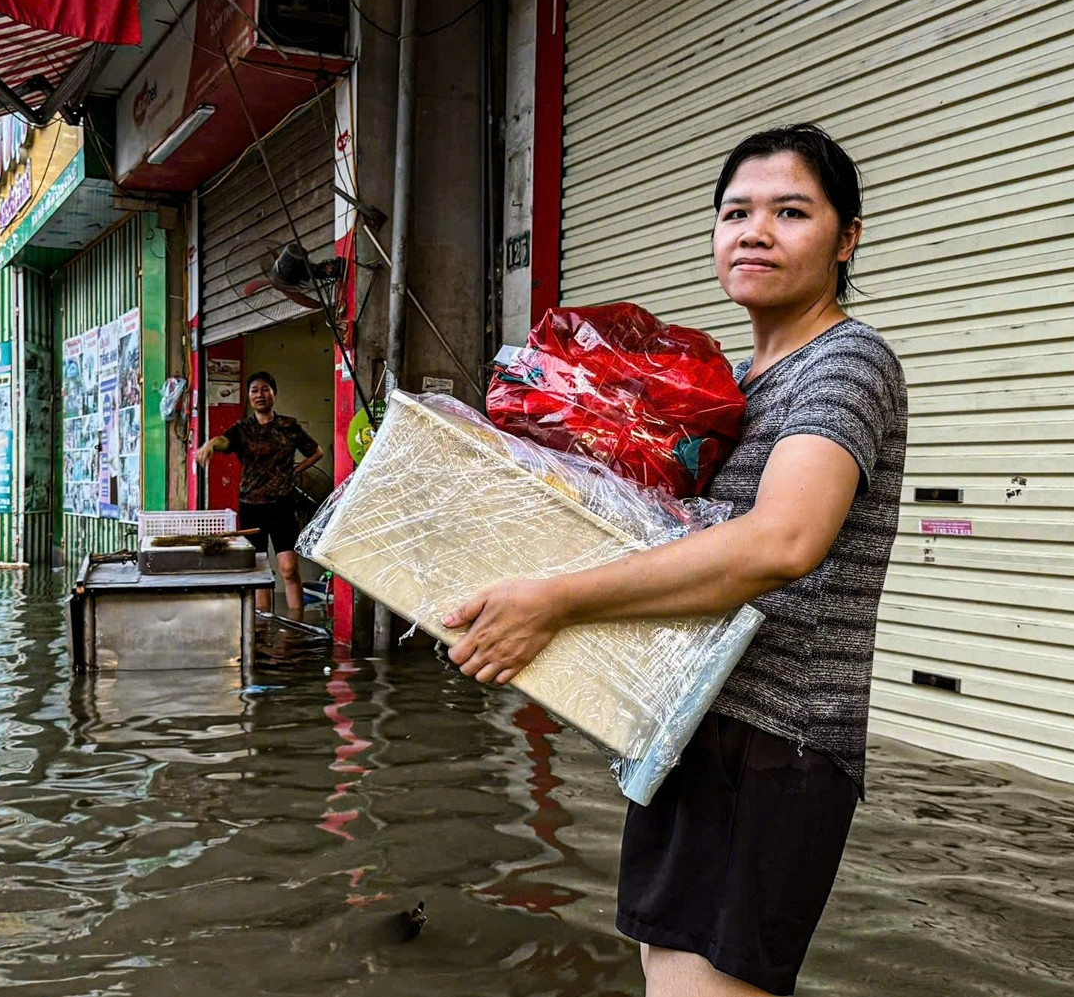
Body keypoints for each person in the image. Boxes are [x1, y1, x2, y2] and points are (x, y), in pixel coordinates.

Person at [440, 125, 906, 997]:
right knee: (666, 975)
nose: (754, 231)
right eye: (735, 212)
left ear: (846, 238)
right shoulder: (730, 385)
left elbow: (781, 541)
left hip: (774, 743)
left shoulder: (846, 363)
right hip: (692, 728)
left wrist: (557, 600)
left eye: (790, 212)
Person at [193, 371, 324, 614]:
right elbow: (224, 441)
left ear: (274, 393)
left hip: (282, 504)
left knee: (288, 567)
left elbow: (316, 452)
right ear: (249, 397)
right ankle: (263, 624)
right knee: (260, 568)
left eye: (265, 389)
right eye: (254, 390)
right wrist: (211, 444)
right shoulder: (243, 429)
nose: (259, 395)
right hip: (251, 506)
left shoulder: (289, 426)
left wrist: (296, 471)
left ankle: (296, 625)